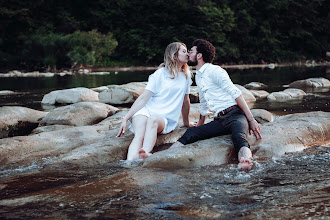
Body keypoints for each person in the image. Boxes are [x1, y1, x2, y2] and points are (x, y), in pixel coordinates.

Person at [171, 39, 262, 170]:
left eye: (191, 51)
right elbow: (203, 105)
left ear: (199, 55)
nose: (188, 54)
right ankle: (166, 154)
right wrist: (198, 129)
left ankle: (246, 161)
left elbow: (237, 94)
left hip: (236, 115)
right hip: (220, 120)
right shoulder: (199, 76)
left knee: (239, 138)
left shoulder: (215, 71)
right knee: (190, 133)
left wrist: (251, 119)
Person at [117, 42, 195, 160]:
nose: (188, 54)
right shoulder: (160, 74)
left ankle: (145, 152)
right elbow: (143, 98)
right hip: (146, 111)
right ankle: (129, 164)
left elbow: (186, 101)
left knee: (153, 120)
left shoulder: (186, 76)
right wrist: (126, 118)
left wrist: (186, 123)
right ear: (174, 55)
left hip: (164, 118)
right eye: (184, 51)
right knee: (139, 135)